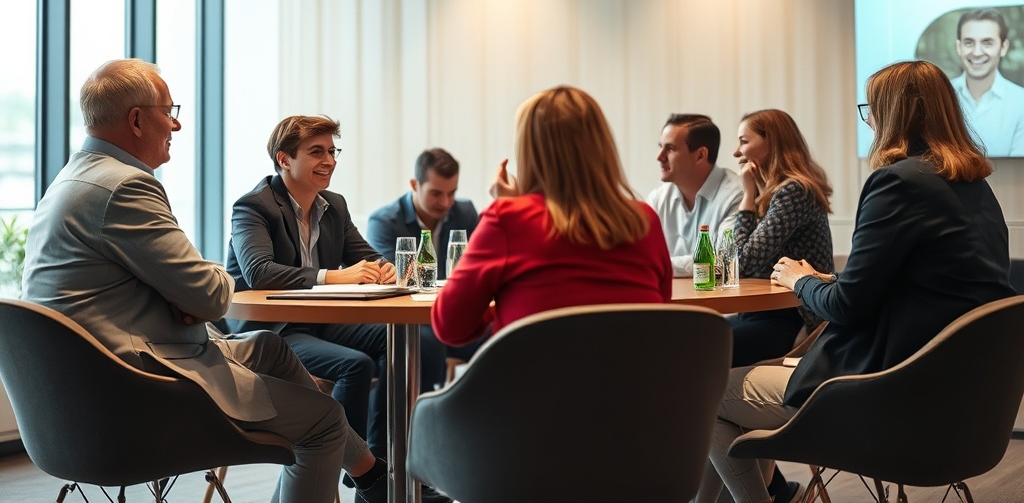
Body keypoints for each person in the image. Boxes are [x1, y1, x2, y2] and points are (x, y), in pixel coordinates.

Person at [20, 60, 391, 503]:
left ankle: (372, 477)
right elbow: (214, 293)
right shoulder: (126, 187)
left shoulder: (72, 179)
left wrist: (182, 290)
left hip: (74, 394)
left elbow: (182, 289)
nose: (176, 123)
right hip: (137, 390)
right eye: (168, 109)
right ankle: (376, 480)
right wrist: (193, 286)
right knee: (325, 419)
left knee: (270, 348)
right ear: (136, 120)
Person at [696, 60, 1014, 503]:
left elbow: (847, 307)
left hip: (885, 393)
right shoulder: (975, 186)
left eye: (871, 109)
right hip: (961, 402)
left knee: (707, 393)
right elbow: (922, 284)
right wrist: (832, 280)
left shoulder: (896, 182)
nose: (869, 121)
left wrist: (801, 280)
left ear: (891, 114)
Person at [431, 86, 673, 347]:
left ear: (529, 152)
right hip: (634, 385)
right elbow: (659, 309)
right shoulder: (644, 220)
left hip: (533, 386)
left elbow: (450, 326)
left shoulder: (507, 218)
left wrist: (501, 310)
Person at [729, 109, 835, 367]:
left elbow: (742, 262)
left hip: (790, 318)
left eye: (744, 141)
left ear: (772, 142)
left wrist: (746, 196)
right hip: (761, 313)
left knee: (697, 345)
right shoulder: (777, 192)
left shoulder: (795, 191)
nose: (736, 152)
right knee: (688, 337)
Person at [366, 147, 480, 374]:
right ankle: (421, 409)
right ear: (414, 185)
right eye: (436, 193)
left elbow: (477, 270)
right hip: (409, 319)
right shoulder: (384, 222)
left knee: (503, 332)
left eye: (452, 193)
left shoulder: (465, 213)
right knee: (427, 343)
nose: (446, 202)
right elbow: (397, 282)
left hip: (452, 315)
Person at [647, 114, 742, 277]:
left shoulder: (736, 195)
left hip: (718, 300)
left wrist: (660, 266)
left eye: (669, 149)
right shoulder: (658, 199)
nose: (659, 157)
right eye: (661, 147)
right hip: (669, 299)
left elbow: (723, 261)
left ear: (700, 155)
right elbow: (643, 256)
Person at [950, 8, 1024, 156]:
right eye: (969, 42)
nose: (977, 52)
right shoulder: (939, 95)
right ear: (959, 47)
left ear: (1003, 47)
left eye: (987, 43)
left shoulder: (1021, 102)